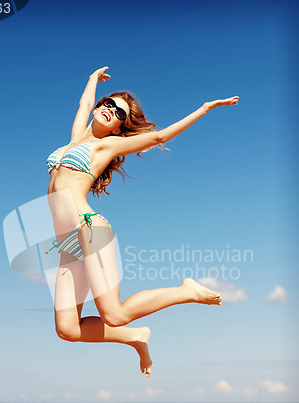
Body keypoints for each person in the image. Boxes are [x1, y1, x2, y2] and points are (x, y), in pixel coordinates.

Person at [46, 66, 239, 377]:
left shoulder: (106, 146)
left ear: (120, 128)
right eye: (108, 104)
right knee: (67, 329)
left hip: (88, 228)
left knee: (115, 313)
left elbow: (160, 135)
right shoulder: (75, 139)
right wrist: (93, 81)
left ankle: (186, 291)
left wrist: (205, 108)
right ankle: (136, 337)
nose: (111, 110)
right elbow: (83, 106)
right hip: (67, 243)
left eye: (119, 113)